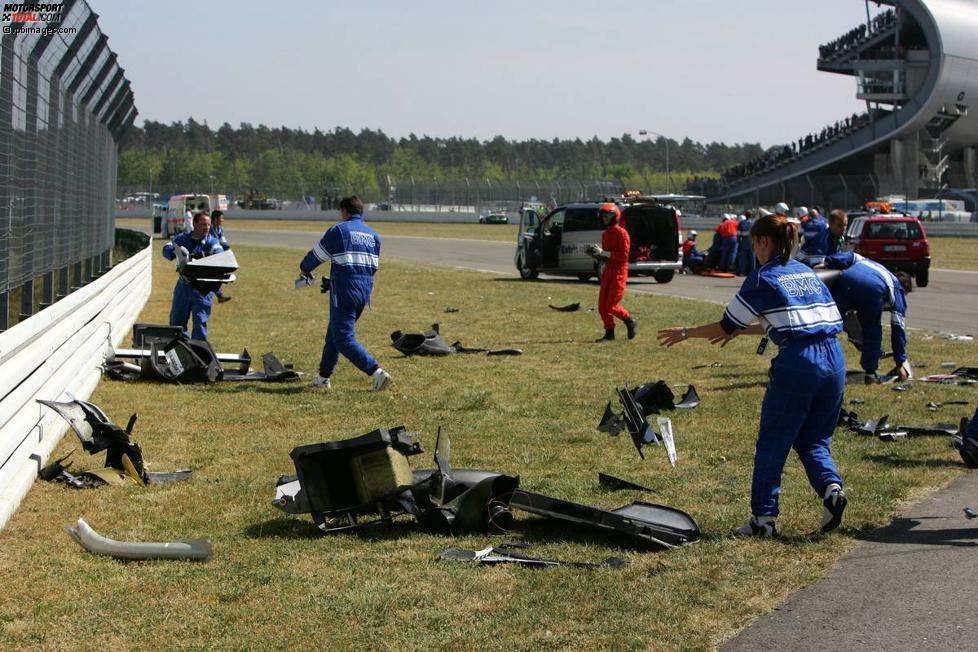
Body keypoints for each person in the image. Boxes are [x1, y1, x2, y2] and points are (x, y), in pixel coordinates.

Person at [657, 213, 847, 537]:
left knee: (773, 442)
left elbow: (726, 324)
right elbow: (780, 320)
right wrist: (738, 333)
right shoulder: (804, 272)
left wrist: (687, 332)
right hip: (834, 359)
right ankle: (831, 489)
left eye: (753, 245)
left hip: (799, 363)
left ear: (762, 241)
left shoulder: (763, 277)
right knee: (814, 438)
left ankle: (763, 520)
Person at [299, 195, 391, 391]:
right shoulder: (374, 236)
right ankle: (323, 378)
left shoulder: (339, 230)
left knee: (343, 338)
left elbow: (317, 255)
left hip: (345, 289)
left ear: (344, 211)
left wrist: (304, 269)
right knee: (334, 333)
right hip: (364, 291)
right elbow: (372, 267)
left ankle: (376, 372)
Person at [823, 251, 911, 383]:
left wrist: (830, 261)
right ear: (904, 289)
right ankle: (870, 373)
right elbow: (898, 330)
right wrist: (900, 362)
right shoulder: (897, 289)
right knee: (872, 329)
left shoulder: (873, 264)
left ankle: (818, 363)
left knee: (829, 323)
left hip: (846, 279)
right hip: (872, 289)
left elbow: (850, 256)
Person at [162, 211, 224, 340]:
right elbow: (166, 248)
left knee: (200, 324)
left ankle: (199, 354)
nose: (206, 227)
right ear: (194, 224)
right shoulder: (182, 238)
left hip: (202, 289)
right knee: (176, 324)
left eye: (208, 224)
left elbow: (219, 251)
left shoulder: (212, 241)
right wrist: (174, 251)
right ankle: (180, 352)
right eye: (203, 224)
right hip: (183, 287)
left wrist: (213, 255)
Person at [586, 203, 637, 341]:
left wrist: (605, 253)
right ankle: (609, 334)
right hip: (608, 270)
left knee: (611, 305)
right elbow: (606, 256)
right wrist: (596, 255)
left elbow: (624, 256)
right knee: (602, 306)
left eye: (608, 216)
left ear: (615, 217)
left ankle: (629, 320)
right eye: (603, 216)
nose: (605, 219)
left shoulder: (622, 233)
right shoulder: (606, 234)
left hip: (619, 271)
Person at [209, 210, 232, 303]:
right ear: (215, 219)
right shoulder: (208, 228)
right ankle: (219, 295)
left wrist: (227, 249)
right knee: (213, 276)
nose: (222, 220)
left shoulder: (219, 229)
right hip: (208, 256)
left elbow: (223, 241)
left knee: (215, 276)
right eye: (221, 218)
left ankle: (219, 295)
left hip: (217, 256)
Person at [736, 210, 755, 275]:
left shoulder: (741, 223)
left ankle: (742, 271)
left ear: (745, 215)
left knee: (743, 258)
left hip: (743, 242)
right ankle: (752, 272)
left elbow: (738, 234)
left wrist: (738, 241)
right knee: (752, 258)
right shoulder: (753, 223)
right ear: (751, 215)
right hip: (752, 242)